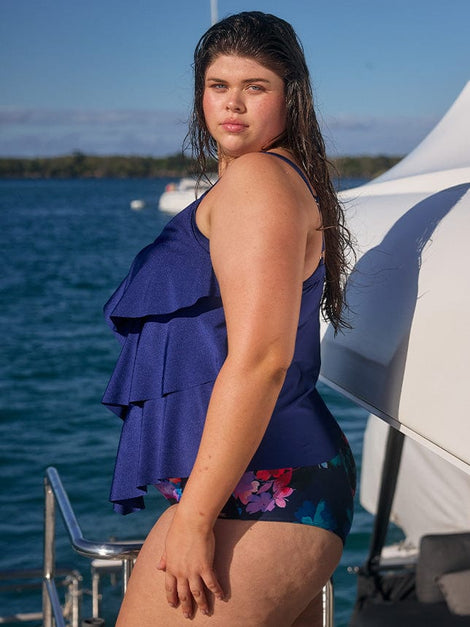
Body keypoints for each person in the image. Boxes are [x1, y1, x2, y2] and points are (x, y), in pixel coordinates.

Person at [103, 11, 356, 626]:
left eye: (255, 87)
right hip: (254, 483)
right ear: (200, 95)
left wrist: (193, 519)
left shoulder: (259, 181)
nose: (233, 104)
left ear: (291, 97)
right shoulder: (256, 181)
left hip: (268, 485)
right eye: (219, 86)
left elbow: (263, 360)